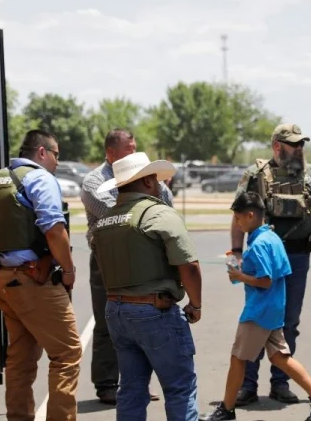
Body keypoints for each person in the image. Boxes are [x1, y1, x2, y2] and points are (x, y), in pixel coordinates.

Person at [202, 192, 311, 421]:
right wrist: (241, 273)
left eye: (238, 218)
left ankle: (226, 410)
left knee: (238, 358)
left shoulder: (259, 244)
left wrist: (240, 276)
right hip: (274, 307)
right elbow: (277, 272)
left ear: (251, 215)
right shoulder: (272, 237)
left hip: (259, 311)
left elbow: (265, 280)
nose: (237, 222)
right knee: (279, 357)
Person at [230, 123, 311, 406]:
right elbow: (238, 213)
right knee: (255, 318)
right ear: (277, 146)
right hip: (262, 258)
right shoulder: (255, 174)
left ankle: (280, 383)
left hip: (298, 258)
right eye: (294, 144)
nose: (299, 148)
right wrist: (237, 252)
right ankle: (247, 386)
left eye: (302, 143)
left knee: (289, 321)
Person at [92, 152, 203, 420]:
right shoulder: (158, 214)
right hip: (154, 311)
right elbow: (189, 266)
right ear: (149, 182)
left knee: (131, 389)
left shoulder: (104, 221)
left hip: (117, 312)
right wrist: (196, 304)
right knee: (180, 388)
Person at [0, 129, 81, 420]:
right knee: (67, 353)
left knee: (21, 358)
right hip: (32, 280)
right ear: (41, 152)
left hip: (2, 279)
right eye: (56, 155)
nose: (57, 163)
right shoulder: (40, 178)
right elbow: (53, 229)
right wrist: (69, 270)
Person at [80, 128, 172, 404]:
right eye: (129, 148)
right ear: (111, 153)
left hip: (144, 259)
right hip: (107, 262)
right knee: (107, 321)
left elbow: (167, 205)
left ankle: (137, 383)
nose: (134, 152)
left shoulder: (145, 177)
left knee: (142, 319)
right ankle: (107, 384)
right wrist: (149, 208)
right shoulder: (94, 182)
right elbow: (119, 217)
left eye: (135, 147)